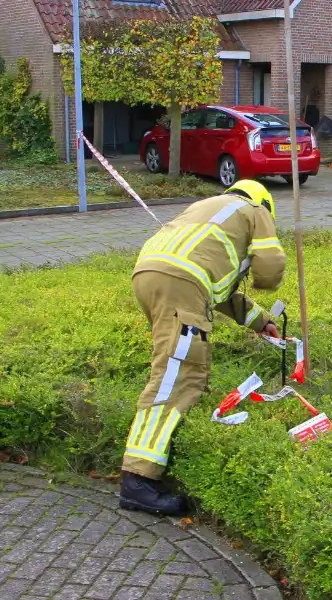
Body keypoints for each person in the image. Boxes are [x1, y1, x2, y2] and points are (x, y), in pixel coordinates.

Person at [121, 180, 286, 514]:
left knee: (178, 365)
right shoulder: (255, 210)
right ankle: (137, 479)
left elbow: (219, 292)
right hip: (182, 284)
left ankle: (156, 458)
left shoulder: (207, 209)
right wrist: (267, 282)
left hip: (150, 276)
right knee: (178, 374)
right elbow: (270, 264)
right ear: (264, 203)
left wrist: (261, 321)